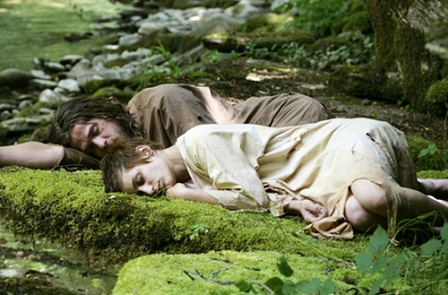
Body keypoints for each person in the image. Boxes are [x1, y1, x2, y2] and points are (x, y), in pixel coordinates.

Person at [100, 118, 448, 240]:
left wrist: (185, 197)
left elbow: (253, 199)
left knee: (374, 199)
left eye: (141, 178)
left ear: (146, 152)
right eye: (141, 191)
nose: (150, 189)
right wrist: (295, 204)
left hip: (336, 144)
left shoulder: (197, 142)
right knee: (357, 215)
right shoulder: (192, 178)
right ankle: (426, 192)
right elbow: (265, 190)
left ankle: (435, 206)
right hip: (317, 178)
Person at [0, 84, 334, 169]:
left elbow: (213, 148)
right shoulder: (113, 152)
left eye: (95, 132)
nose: (100, 145)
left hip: (285, 120)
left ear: (109, 112)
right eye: (89, 148)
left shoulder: (159, 102)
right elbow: (53, 153)